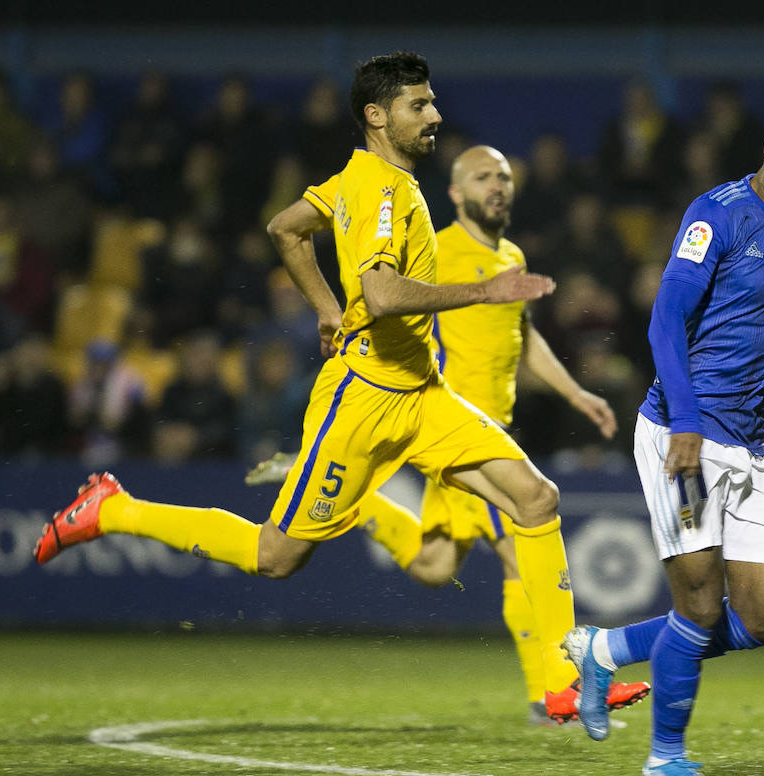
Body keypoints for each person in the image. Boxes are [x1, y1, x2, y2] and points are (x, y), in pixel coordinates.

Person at [31, 51, 595, 719]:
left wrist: (327, 307)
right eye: (420, 104)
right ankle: (114, 508)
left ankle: (562, 681)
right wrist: (483, 290)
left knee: (535, 498)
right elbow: (382, 294)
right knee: (276, 556)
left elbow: (286, 228)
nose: (436, 113)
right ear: (377, 116)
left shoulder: (366, 178)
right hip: (364, 403)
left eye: (433, 101)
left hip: (423, 392)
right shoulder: (383, 191)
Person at [244, 144, 648, 725]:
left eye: (505, 177)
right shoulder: (442, 250)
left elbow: (523, 333)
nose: (498, 186)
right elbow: (391, 299)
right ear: (456, 193)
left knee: (435, 566)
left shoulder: (509, 253)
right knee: (519, 543)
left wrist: (575, 393)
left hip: (483, 430)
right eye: (483, 177)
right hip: (447, 426)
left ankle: (356, 503)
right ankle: (549, 691)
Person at [561, 93, 764, 776]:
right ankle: (665, 758)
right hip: (685, 438)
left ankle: (606, 647)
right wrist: (685, 423)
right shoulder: (716, 216)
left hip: (746, 448)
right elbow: (663, 324)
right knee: (701, 606)